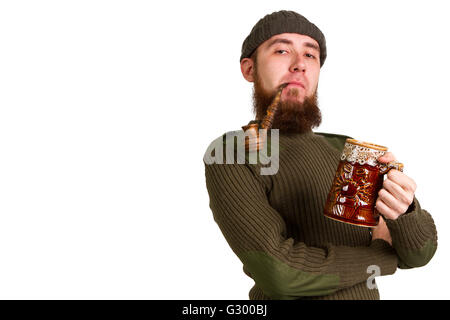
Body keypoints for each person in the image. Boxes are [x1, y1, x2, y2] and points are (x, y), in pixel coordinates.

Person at [203, 10, 437, 300]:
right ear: (249, 69)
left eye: (310, 55)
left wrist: (405, 211)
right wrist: (382, 257)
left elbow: (419, 254)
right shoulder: (232, 152)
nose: (299, 64)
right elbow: (281, 274)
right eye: (281, 50)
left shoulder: (347, 150)